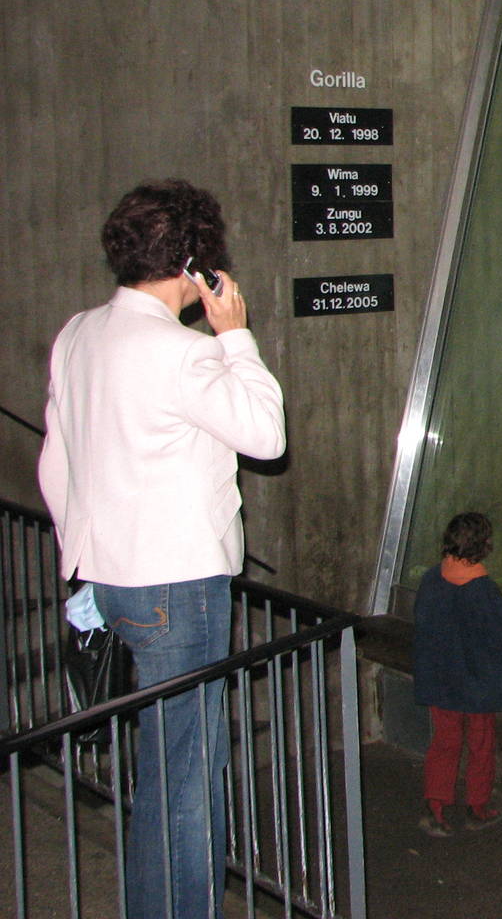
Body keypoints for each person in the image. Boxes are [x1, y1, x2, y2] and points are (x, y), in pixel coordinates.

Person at [38, 179, 286, 919]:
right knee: (187, 782)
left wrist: (82, 562)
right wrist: (234, 333)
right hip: (179, 589)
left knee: (157, 770)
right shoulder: (183, 353)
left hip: (108, 578)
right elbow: (267, 437)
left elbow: (58, 465)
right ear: (193, 264)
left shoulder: (78, 334)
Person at [412, 511, 502, 835]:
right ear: (484, 547)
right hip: (477, 685)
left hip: (441, 681)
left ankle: (435, 806)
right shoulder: (483, 591)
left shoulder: (431, 579)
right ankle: (476, 807)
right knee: (480, 744)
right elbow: (500, 636)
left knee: (445, 742)